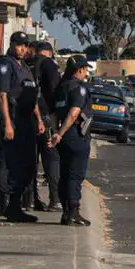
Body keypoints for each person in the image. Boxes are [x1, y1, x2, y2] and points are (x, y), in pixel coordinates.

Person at [0, 31, 46, 223]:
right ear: (12, 44)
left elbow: (32, 96)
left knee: (29, 165)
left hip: (26, 120)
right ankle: (8, 206)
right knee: (11, 164)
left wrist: (39, 120)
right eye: (19, 45)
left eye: (25, 45)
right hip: (13, 120)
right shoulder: (6, 64)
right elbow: (2, 95)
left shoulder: (25, 67)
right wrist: (7, 123)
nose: (22, 49)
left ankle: (16, 204)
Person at [50, 54, 95, 226]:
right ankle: (73, 212)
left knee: (65, 174)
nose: (85, 73)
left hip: (64, 139)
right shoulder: (79, 88)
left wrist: (56, 133)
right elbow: (74, 113)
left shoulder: (62, 87)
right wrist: (59, 133)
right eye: (84, 70)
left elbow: (54, 113)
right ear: (81, 69)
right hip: (76, 135)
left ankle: (66, 213)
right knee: (75, 175)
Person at [31, 42, 65, 212]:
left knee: (30, 159)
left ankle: (29, 199)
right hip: (46, 117)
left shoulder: (25, 63)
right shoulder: (49, 64)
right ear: (49, 53)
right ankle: (55, 199)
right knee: (51, 158)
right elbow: (55, 91)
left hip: (26, 117)